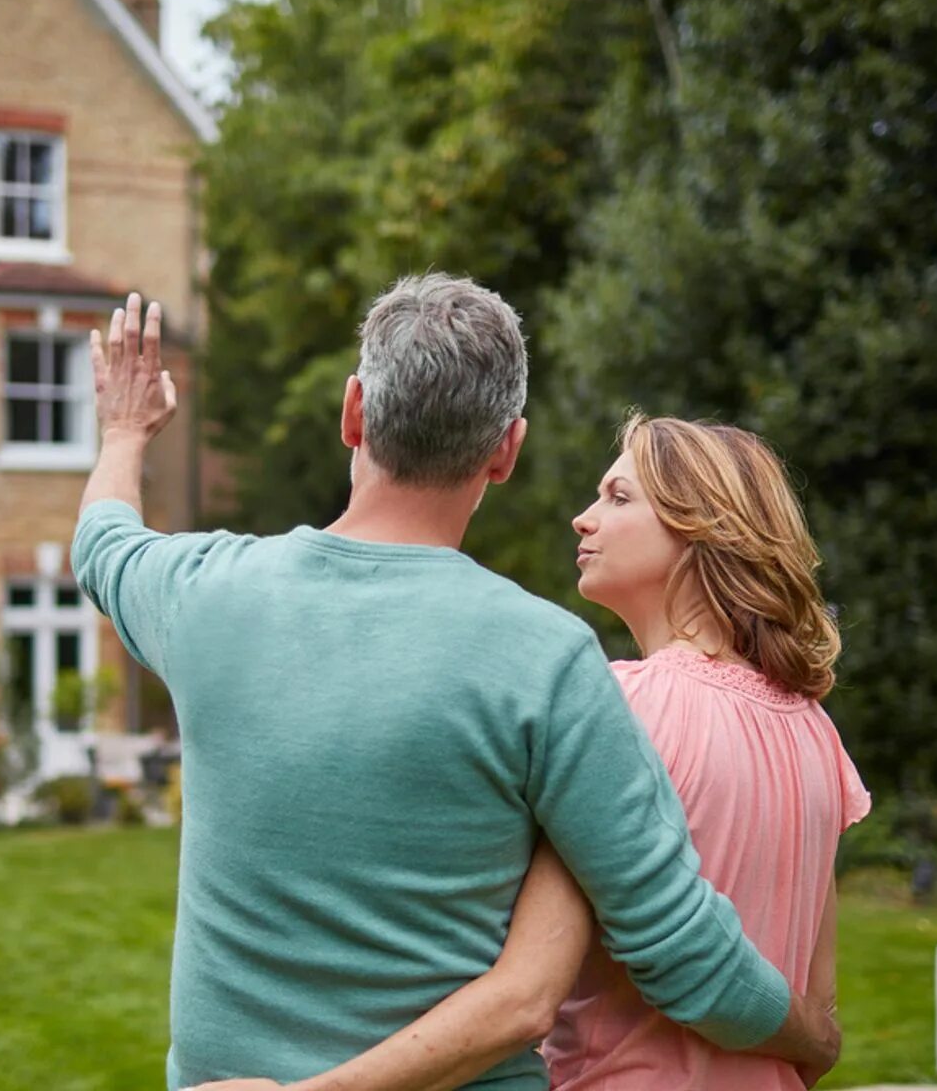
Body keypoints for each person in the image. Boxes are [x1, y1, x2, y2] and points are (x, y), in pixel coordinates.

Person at [71, 278, 841, 1091]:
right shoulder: (549, 660)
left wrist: (124, 431)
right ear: (506, 449)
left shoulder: (203, 591)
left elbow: (102, 541)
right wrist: (814, 1038)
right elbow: (681, 948)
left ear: (353, 413)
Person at [202, 416, 870, 1091]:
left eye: (618, 497)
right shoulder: (815, 733)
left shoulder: (620, 708)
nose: (583, 519)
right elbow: (818, 1015)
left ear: (700, 526)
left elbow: (524, 995)